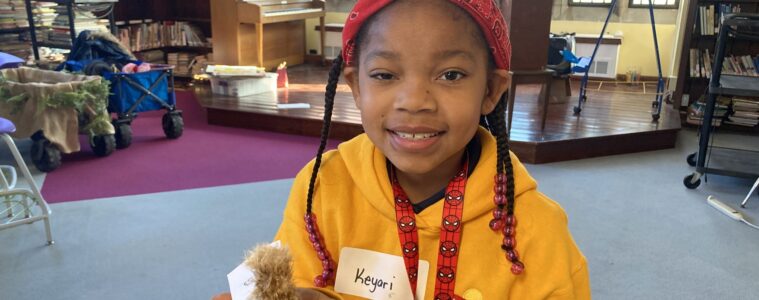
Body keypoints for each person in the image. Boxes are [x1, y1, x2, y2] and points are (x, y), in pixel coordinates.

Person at [218, 0, 589, 299]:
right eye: (384, 75)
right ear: (356, 85)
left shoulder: (535, 231)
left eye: (451, 75)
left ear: (491, 90)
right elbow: (305, 279)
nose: (414, 102)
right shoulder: (322, 189)